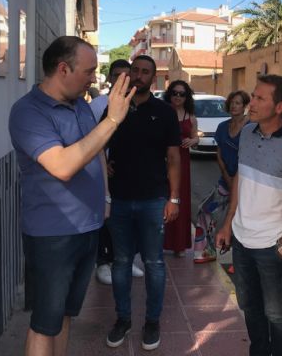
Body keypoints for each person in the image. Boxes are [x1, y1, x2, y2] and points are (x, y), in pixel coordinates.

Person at [8, 36, 135, 356]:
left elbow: (96, 153)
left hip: (86, 226)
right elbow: (62, 166)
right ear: (63, 69)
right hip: (53, 233)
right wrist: (113, 121)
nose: (94, 78)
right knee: (44, 323)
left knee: (65, 315)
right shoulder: (28, 112)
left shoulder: (79, 104)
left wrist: (104, 198)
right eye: (89, 71)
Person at [216, 75, 282, 356]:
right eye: (252, 96)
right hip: (242, 240)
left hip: (273, 245)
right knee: (250, 307)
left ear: (279, 107)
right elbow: (240, 178)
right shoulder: (247, 132)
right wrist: (228, 224)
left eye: (258, 98)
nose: (250, 103)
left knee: (277, 314)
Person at [105, 55, 181, 351]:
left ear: (154, 77)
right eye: (134, 70)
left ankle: (152, 321)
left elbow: (173, 157)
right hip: (120, 199)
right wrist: (104, 163)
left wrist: (173, 198)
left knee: (154, 263)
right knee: (121, 262)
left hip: (153, 199)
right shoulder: (115, 108)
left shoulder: (164, 112)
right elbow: (97, 142)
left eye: (144, 72)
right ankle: (123, 319)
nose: (138, 75)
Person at [89, 59, 144, 284]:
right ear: (110, 78)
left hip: (129, 171)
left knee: (128, 218)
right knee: (106, 216)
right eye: (118, 75)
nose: (124, 79)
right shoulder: (97, 105)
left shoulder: (135, 103)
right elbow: (91, 140)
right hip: (104, 170)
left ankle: (125, 259)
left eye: (127, 75)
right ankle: (103, 262)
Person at [193, 90, 250, 264]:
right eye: (232, 102)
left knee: (241, 220)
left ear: (245, 106)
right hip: (225, 181)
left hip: (247, 183)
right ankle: (207, 251)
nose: (234, 106)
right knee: (205, 210)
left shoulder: (251, 127)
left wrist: (237, 179)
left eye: (238, 103)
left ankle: (242, 261)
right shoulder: (222, 126)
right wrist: (226, 175)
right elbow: (219, 153)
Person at [163, 80, 199, 257]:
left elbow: (195, 137)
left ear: (187, 97)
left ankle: (179, 245)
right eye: (175, 93)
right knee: (161, 199)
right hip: (162, 161)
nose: (178, 97)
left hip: (182, 162)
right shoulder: (162, 112)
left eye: (182, 94)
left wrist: (193, 141)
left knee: (180, 201)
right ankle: (161, 242)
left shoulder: (190, 116)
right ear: (169, 94)